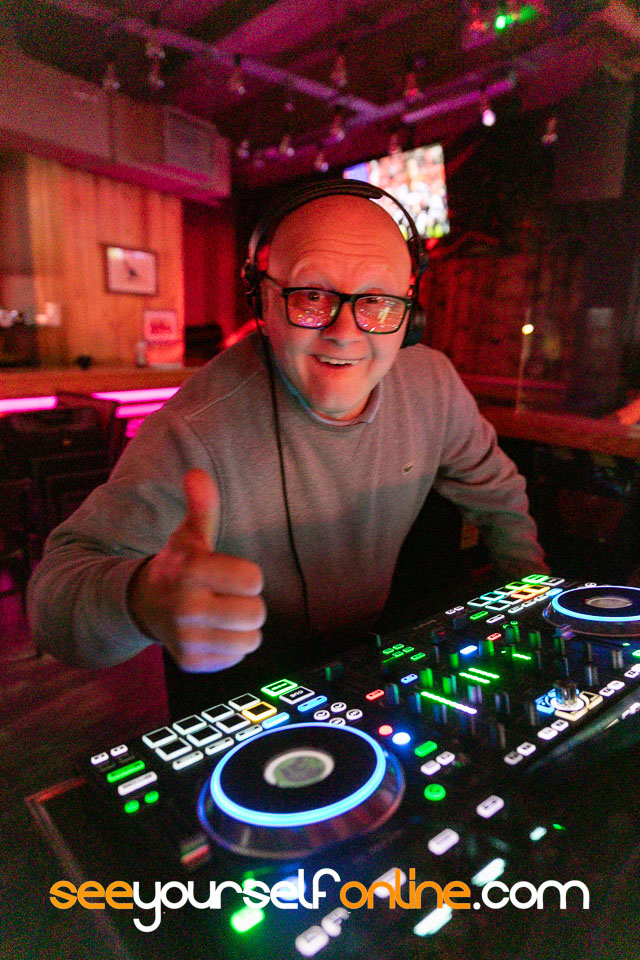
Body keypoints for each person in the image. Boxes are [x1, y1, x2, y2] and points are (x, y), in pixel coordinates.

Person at [27, 182, 547, 716]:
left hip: (373, 664)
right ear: (263, 303)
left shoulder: (432, 383)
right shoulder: (194, 429)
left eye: (376, 300)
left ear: (409, 313)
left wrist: (536, 608)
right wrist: (139, 600)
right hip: (241, 698)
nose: (345, 332)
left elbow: (499, 494)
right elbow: (52, 603)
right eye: (312, 296)